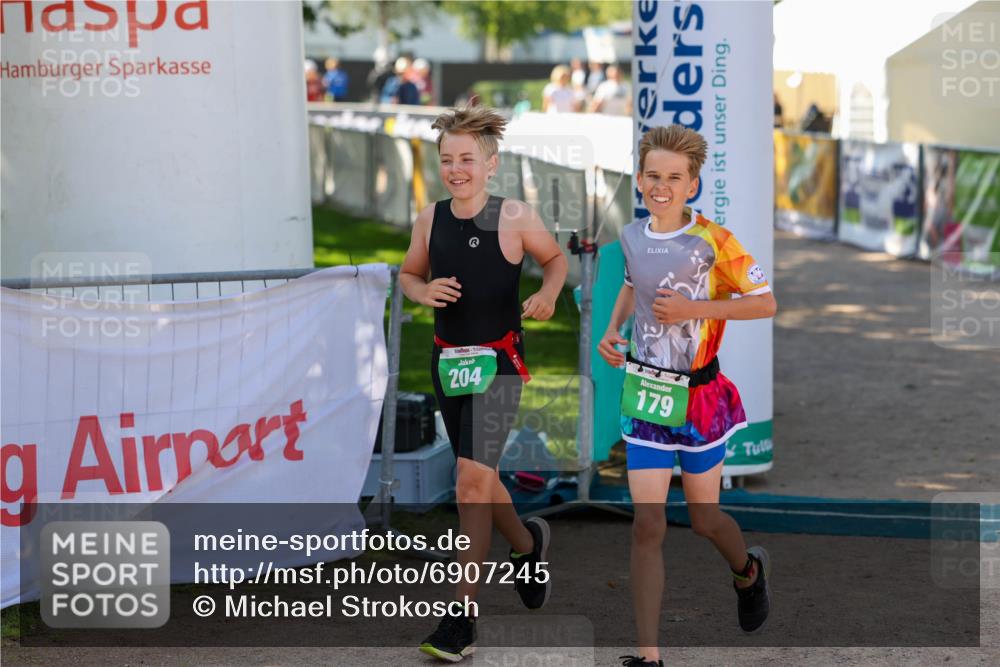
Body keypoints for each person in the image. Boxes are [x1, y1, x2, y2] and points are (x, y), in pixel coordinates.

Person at [597, 125, 777, 667]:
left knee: (704, 520)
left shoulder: (715, 241)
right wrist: (613, 330)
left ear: (692, 184)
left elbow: (764, 303)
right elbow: (634, 284)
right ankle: (648, 656)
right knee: (647, 523)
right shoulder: (631, 236)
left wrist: (696, 310)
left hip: (700, 400)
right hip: (647, 396)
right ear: (641, 179)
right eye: (653, 175)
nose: (662, 186)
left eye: (674, 177)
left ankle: (747, 572)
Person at [400, 105, 568, 662]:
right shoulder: (429, 219)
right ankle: (527, 546)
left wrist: (546, 295)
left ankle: (462, 618)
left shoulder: (515, 215)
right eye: (447, 160)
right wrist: (422, 293)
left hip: (499, 366)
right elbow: (409, 273)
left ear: (490, 163)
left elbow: (555, 260)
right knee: (482, 475)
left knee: (470, 480)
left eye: (466, 159)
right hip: (448, 364)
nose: (456, 169)